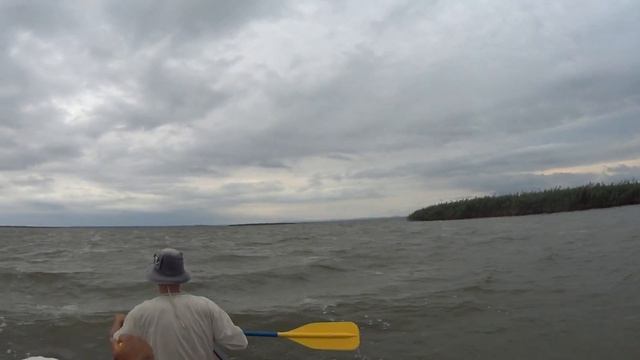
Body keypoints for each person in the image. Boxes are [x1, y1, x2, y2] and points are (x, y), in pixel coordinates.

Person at [110, 248, 248, 360]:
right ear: (181, 277)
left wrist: (118, 321)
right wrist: (212, 333)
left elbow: (118, 347)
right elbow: (239, 343)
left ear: (156, 278)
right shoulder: (206, 305)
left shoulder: (140, 312)